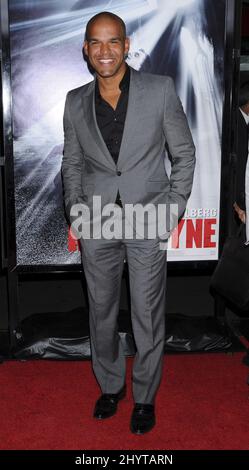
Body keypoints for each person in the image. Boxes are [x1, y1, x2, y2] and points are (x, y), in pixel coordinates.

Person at [61, 11, 195, 434]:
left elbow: (184, 155)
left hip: (147, 219)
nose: (105, 51)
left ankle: (145, 396)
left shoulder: (160, 90)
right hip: (96, 222)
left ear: (126, 44)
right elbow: (73, 162)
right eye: (96, 43)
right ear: (86, 49)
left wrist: (170, 210)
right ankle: (110, 386)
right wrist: (75, 209)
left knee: (146, 311)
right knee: (100, 311)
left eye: (113, 41)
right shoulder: (74, 100)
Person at [234, 81, 249, 242]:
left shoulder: (240, 121)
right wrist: (240, 202)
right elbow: (238, 167)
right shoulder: (236, 125)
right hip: (237, 199)